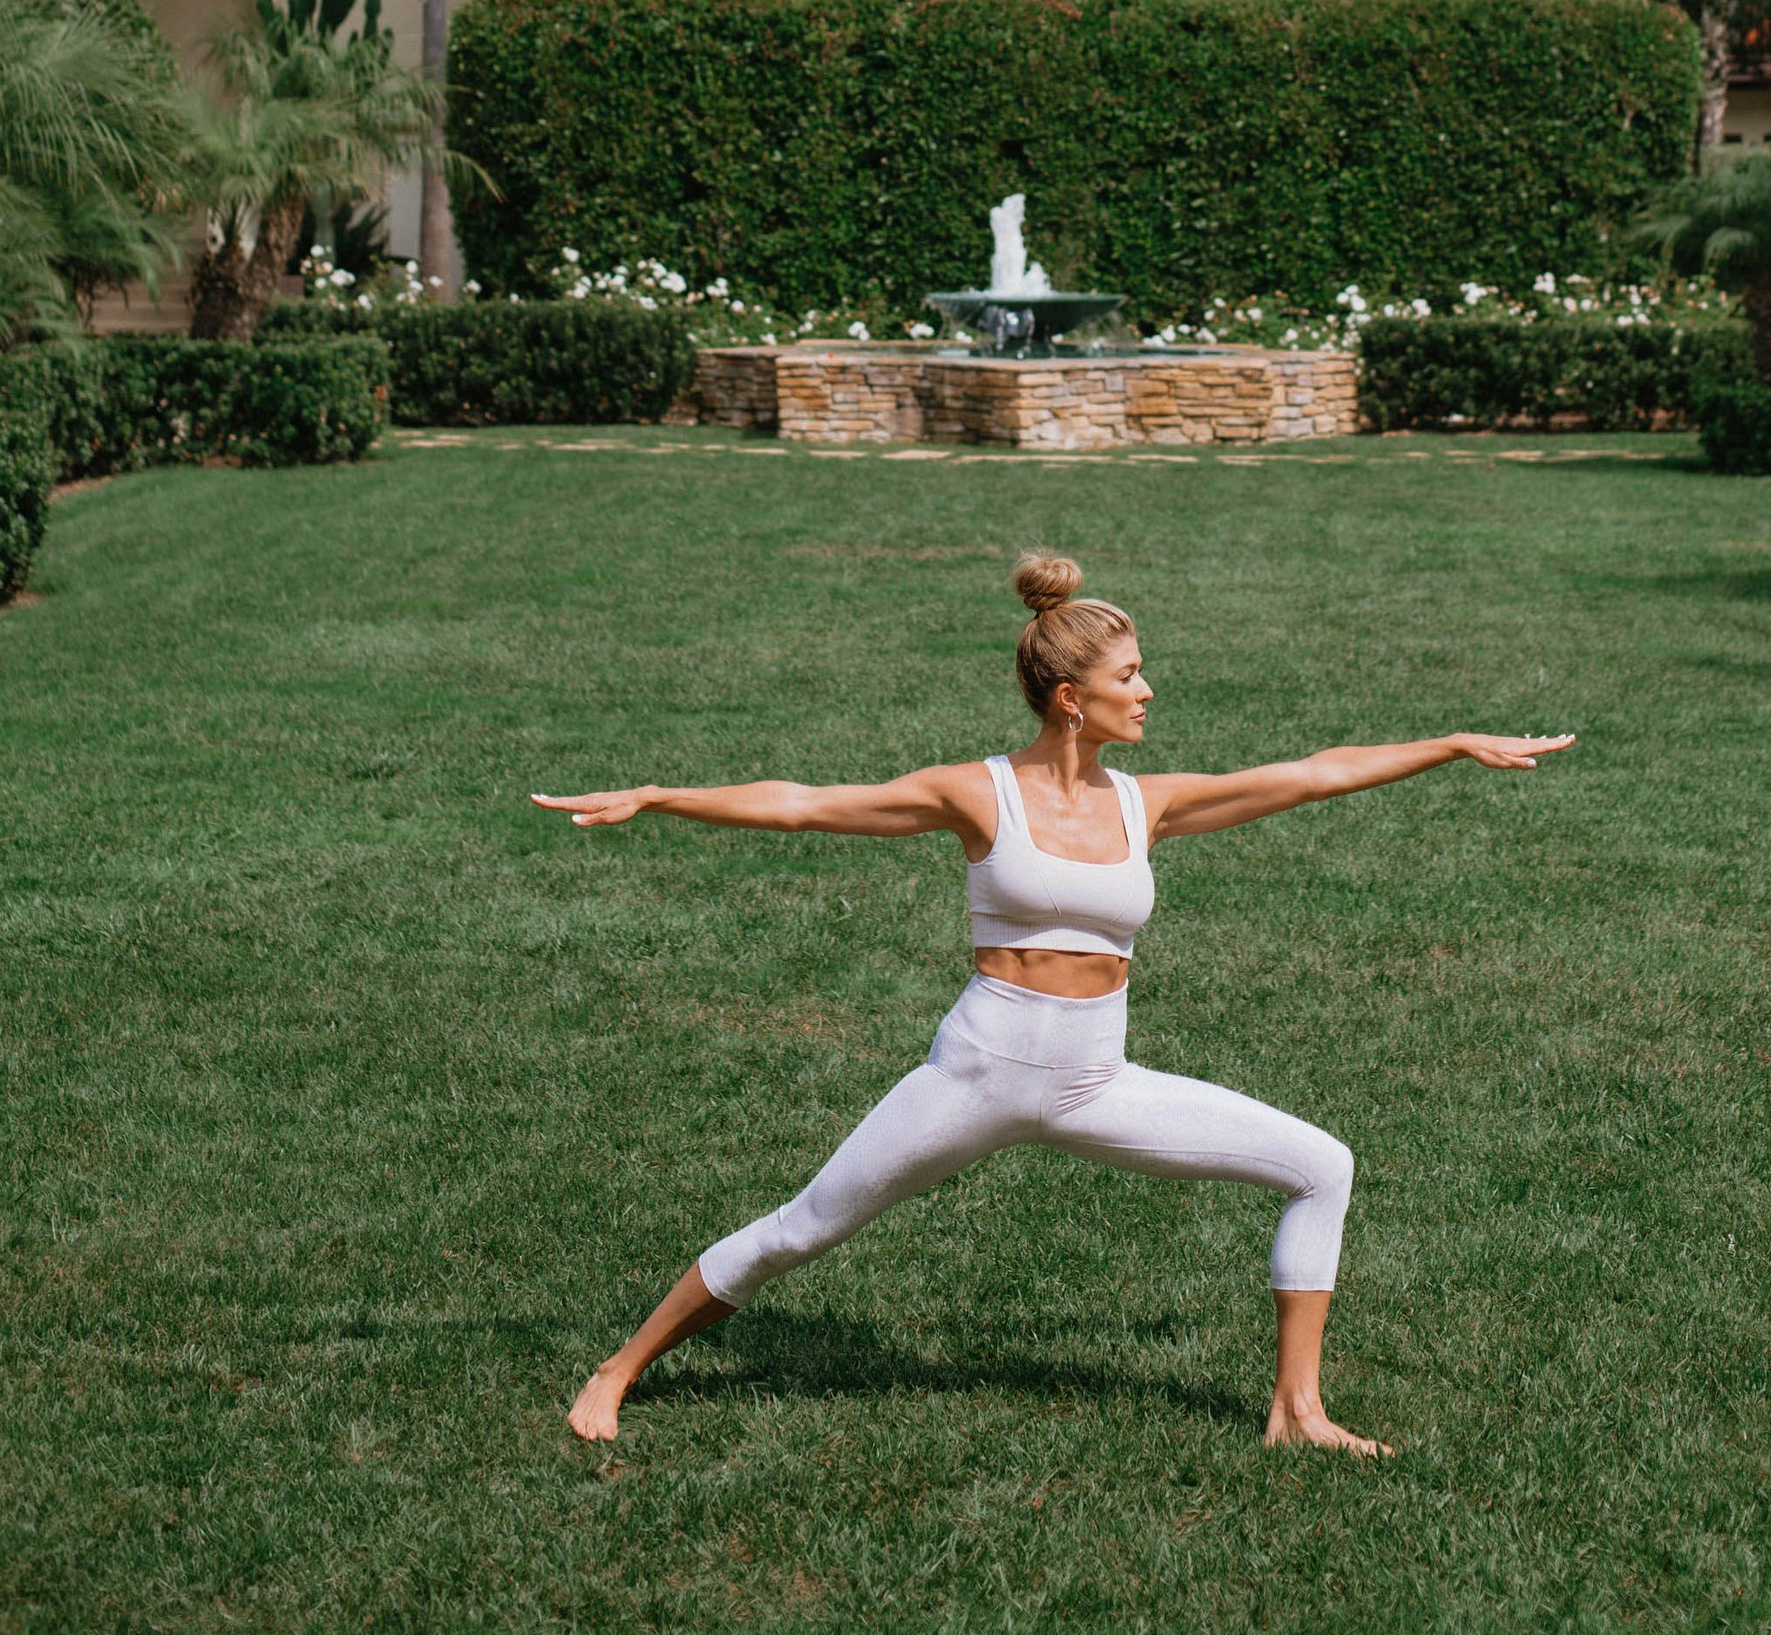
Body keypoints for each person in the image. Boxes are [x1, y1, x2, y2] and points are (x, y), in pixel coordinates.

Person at [533, 552, 1571, 1455]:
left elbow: (1307, 773)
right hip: (975, 1072)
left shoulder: (1145, 800)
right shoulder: (975, 790)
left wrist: (1447, 742)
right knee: (800, 1230)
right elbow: (805, 804)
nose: (1149, 689)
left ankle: (1298, 1407)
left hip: (1090, 1079)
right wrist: (659, 794)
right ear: (1072, 695)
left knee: (1321, 1163)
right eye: (1130, 675)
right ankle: (620, 1368)